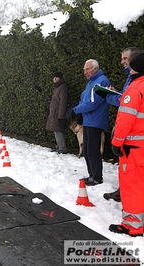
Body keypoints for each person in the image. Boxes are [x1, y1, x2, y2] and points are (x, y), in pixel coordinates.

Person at [109, 52, 144, 237]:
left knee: (132, 186)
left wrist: (116, 143)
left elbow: (124, 121)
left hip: (133, 149)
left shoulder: (135, 89)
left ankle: (132, 226)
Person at [99, 47, 140, 202]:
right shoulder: (130, 78)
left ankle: (129, 197)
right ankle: (123, 191)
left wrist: (108, 96)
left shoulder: (137, 80)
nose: (122, 61)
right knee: (127, 168)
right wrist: (111, 94)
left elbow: (128, 104)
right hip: (130, 133)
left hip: (134, 134)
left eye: (125, 58)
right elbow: (125, 101)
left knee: (133, 169)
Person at [73, 59, 110, 186]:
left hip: (96, 121)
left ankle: (97, 177)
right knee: (87, 150)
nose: (85, 72)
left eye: (87, 69)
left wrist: (76, 110)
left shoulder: (102, 82)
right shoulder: (91, 83)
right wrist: (80, 112)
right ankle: (91, 175)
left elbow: (93, 103)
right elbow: (83, 99)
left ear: (95, 69)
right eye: (84, 69)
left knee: (93, 150)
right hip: (88, 120)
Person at [46, 72, 69, 154]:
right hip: (55, 112)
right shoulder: (58, 87)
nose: (55, 79)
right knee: (56, 130)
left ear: (60, 78)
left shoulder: (62, 87)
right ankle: (59, 146)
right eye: (54, 77)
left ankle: (62, 148)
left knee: (58, 130)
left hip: (57, 113)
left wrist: (61, 115)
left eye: (57, 77)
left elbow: (63, 102)